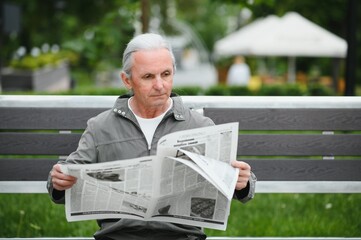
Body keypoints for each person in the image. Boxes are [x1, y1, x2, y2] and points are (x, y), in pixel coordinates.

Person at [47, 33, 256, 240]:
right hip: (120, 237)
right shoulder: (100, 127)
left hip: (182, 237)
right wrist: (58, 181)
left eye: (166, 74)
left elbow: (238, 185)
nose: (160, 85)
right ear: (127, 80)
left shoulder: (200, 126)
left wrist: (242, 182)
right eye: (148, 76)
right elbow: (63, 183)